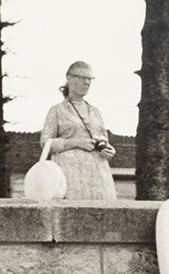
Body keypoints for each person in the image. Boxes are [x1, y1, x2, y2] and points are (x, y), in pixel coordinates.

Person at [40, 61, 117, 201]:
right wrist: (75, 142)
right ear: (69, 78)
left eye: (89, 79)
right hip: (70, 176)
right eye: (81, 77)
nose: (86, 82)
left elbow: (103, 139)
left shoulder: (95, 112)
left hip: (98, 176)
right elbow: (46, 144)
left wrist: (109, 150)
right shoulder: (57, 110)